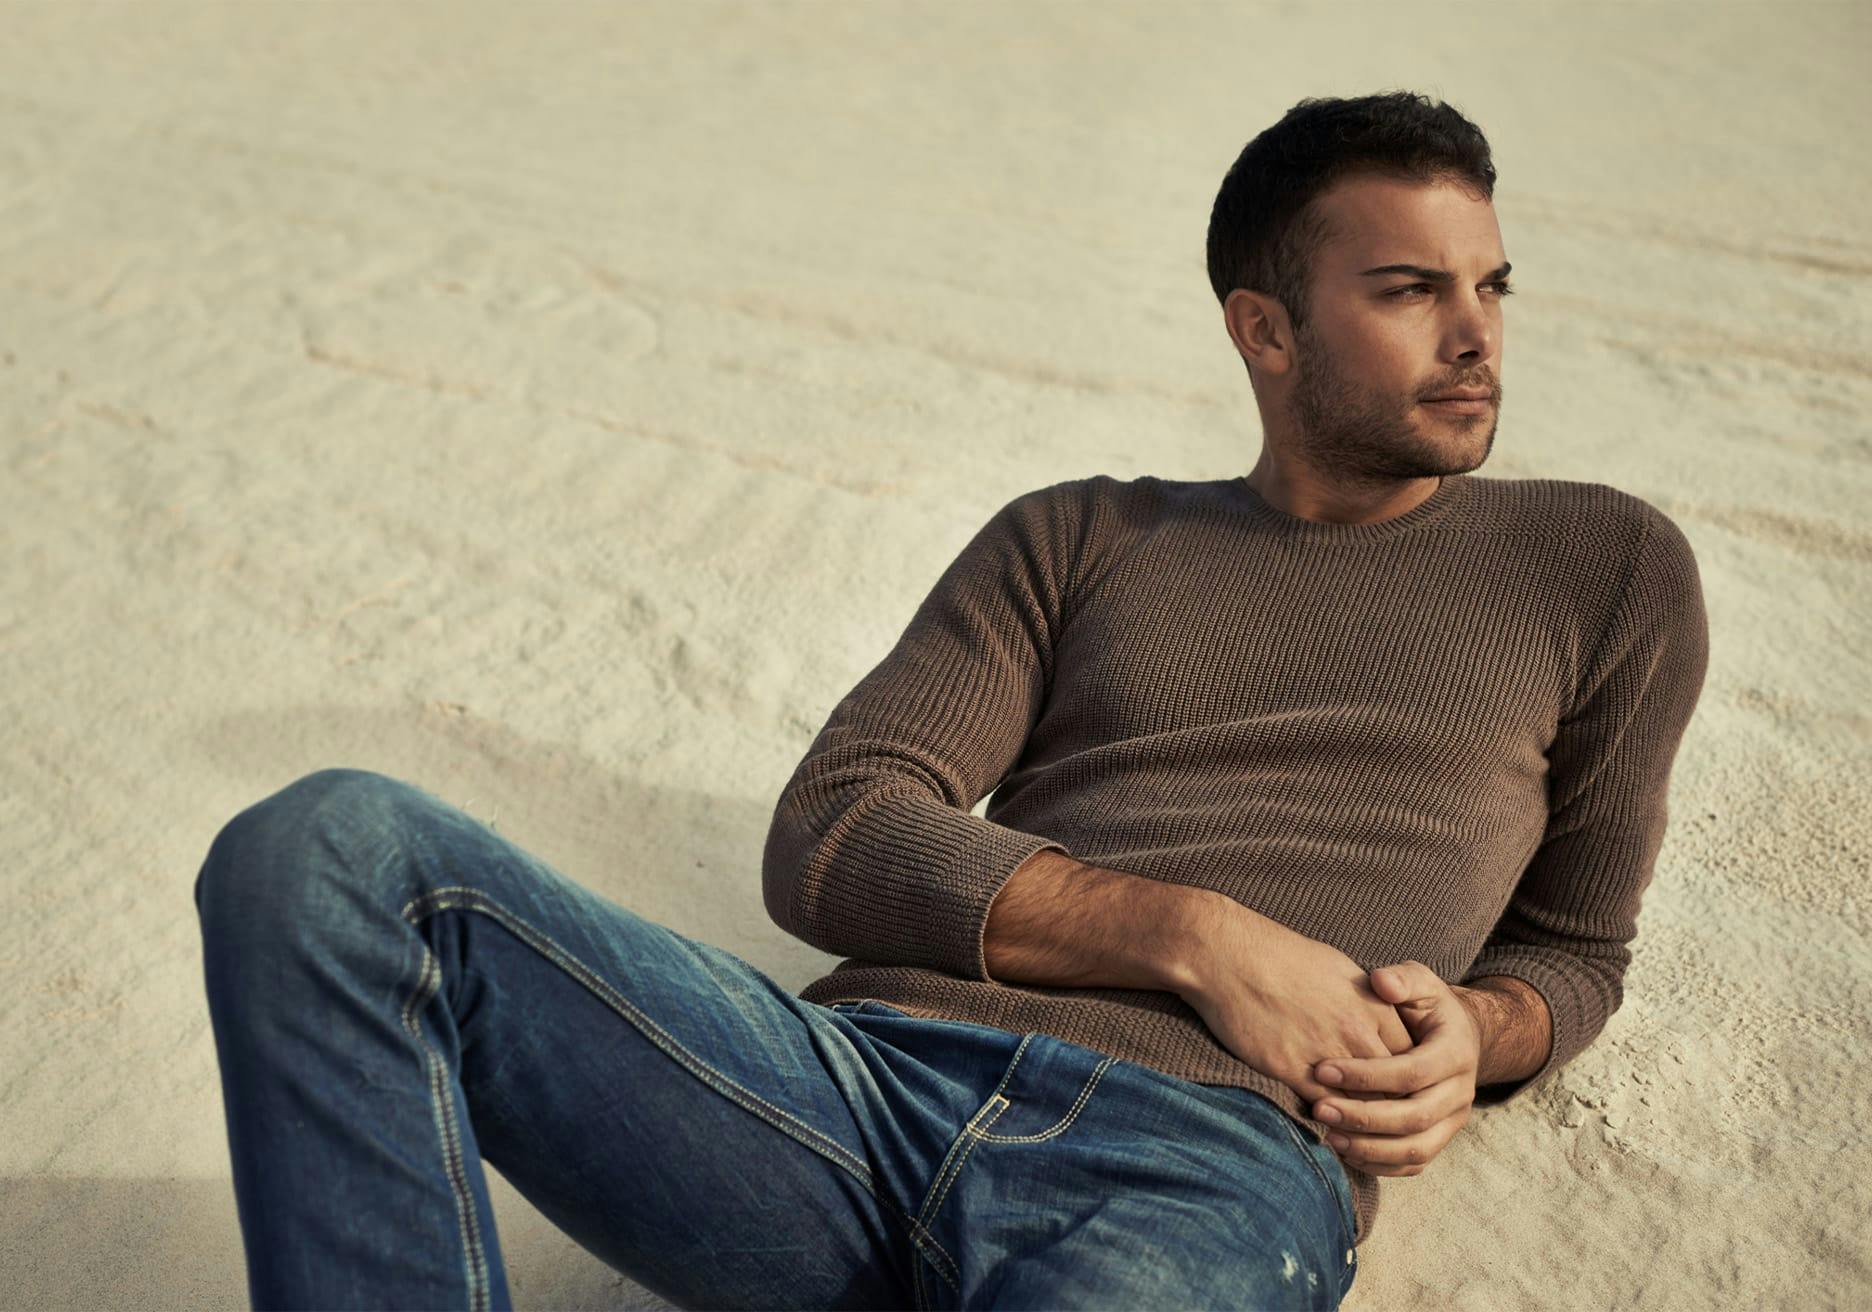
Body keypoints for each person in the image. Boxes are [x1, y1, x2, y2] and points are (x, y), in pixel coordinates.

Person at [195, 90, 1710, 1311]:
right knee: (327, 852)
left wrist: (1483, 1033)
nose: (1478, 335)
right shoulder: (1083, 533)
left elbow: (1575, 948)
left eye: (1491, 286)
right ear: (1264, 329)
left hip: (1205, 1170)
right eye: (1409, 291)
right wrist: (1196, 936)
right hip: (851, 1091)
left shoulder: (1605, 566)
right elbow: (836, 835)